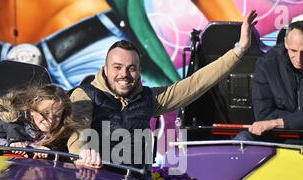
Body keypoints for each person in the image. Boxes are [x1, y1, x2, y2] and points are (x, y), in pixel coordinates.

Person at [69, 10, 258, 169]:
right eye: (117, 67)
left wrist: (239, 50)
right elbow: (77, 132)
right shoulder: (85, 94)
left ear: (140, 71)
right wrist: (82, 153)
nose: (124, 74)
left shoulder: (149, 98)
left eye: (131, 68)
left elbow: (196, 83)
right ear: (106, 68)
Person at [235, 20, 303, 140]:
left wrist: (276, 122)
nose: (299, 58)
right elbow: (263, 113)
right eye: (293, 50)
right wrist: (302, 118)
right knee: (242, 140)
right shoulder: (267, 64)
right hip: (275, 134)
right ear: (286, 44)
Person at [0, 83, 87, 158]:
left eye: (57, 115)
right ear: (31, 111)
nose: (50, 120)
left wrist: (47, 149)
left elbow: (58, 149)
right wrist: (14, 142)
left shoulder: (58, 131)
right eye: (46, 113)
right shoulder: (13, 121)